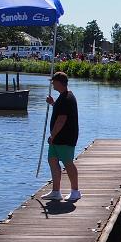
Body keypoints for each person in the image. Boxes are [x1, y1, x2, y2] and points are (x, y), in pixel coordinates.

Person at [44, 72, 81, 201]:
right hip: (57, 138)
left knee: (68, 163)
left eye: (53, 81)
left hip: (65, 137)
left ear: (59, 82)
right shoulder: (62, 97)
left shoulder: (67, 98)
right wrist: (53, 104)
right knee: (52, 161)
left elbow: (61, 119)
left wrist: (52, 135)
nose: (52, 84)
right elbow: (60, 111)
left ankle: (75, 191)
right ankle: (56, 191)